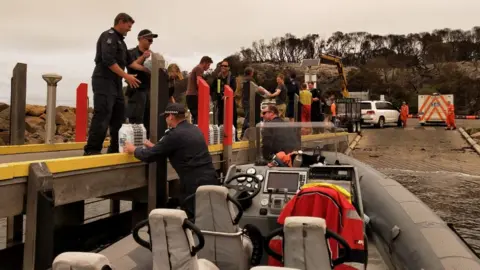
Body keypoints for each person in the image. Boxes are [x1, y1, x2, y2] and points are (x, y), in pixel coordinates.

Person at [123, 103, 219, 213]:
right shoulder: (195, 129)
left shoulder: (174, 135)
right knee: (208, 215)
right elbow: (181, 149)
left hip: (194, 184)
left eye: (165, 116)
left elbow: (148, 156)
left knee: (194, 217)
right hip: (210, 178)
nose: (165, 119)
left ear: (171, 117)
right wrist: (157, 147)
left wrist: (133, 149)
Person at [84, 13, 149, 156]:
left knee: (119, 116)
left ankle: (114, 149)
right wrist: (127, 76)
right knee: (103, 114)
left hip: (116, 83)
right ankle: (92, 151)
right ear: (120, 22)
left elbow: (130, 63)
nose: (130, 29)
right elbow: (108, 60)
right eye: (128, 26)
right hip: (103, 80)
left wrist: (148, 68)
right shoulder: (108, 36)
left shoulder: (122, 42)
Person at [125, 29, 158, 134]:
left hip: (149, 91)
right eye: (149, 40)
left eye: (152, 41)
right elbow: (131, 66)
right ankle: (135, 144)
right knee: (136, 120)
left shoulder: (153, 55)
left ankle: (147, 145)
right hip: (136, 90)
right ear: (141, 39)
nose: (151, 42)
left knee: (149, 120)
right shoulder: (131, 53)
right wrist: (143, 57)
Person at [210, 60, 238, 140]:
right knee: (221, 120)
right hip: (220, 102)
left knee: (233, 119)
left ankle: (234, 137)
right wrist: (215, 97)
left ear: (228, 68)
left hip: (230, 102)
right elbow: (213, 88)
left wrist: (227, 95)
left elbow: (233, 88)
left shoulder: (232, 78)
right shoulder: (218, 78)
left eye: (225, 66)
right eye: (222, 65)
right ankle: (221, 138)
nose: (223, 67)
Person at [240, 67, 270, 138]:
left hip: (245, 101)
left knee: (249, 117)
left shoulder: (243, 80)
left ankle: (249, 134)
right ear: (251, 73)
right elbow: (257, 89)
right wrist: (265, 93)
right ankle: (244, 134)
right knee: (249, 118)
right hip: (251, 102)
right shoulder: (250, 80)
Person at [186, 56, 213, 124]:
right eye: (208, 65)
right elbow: (199, 83)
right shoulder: (199, 68)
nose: (209, 67)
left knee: (196, 116)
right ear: (204, 63)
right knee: (198, 117)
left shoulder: (196, 68)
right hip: (193, 96)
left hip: (190, 96)